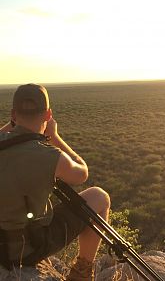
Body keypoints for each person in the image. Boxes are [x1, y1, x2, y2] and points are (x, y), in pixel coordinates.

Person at [0, 83, 110, 281]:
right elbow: (82, 173)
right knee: (99, 197)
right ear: (48, 115)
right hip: (29, 248)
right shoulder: (52, 156)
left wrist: (14, 126)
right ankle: (81, 274)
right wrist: (55, 137)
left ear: (13, 115)